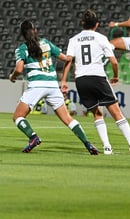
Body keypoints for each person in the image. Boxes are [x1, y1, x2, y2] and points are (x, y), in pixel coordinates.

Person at [61, 9, 130, 155]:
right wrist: (115, 76)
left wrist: (63, 80)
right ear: (97, 24)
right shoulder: (101, 38)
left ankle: (107, 147)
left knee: (97, 114)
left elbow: (68, 60)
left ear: (82, 23)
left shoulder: (73, 39)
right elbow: (114, 62)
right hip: (97, 77)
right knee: (116, 112)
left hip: (81, 80)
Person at [9, 20, 99, 154]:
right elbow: (67, 59)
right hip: (52, 85)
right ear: (35, 30)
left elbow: (19, 68)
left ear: (22, 34)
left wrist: (13, 76)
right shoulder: (46, 44)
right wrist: (63, 80)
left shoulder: (22, 49)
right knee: (68, 118)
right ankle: (88, 144)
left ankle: (33, 137)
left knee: (18, 117)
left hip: (37, 86)